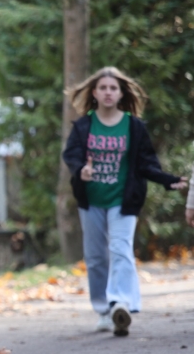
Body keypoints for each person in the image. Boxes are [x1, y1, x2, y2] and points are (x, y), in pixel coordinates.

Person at [62, 67, 186, 337]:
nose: (108, 92)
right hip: (91, 200)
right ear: (94, 92)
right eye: (103, 88)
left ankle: (120, 302)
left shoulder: (134, 126)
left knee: (120, 248)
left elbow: (146, 163)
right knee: (95, 258)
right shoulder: (84, 125)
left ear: (121, 93)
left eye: (113, 88)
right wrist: (80, 169)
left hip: (123, 200)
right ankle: (103, 311)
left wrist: (169, 180)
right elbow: (70, 155)